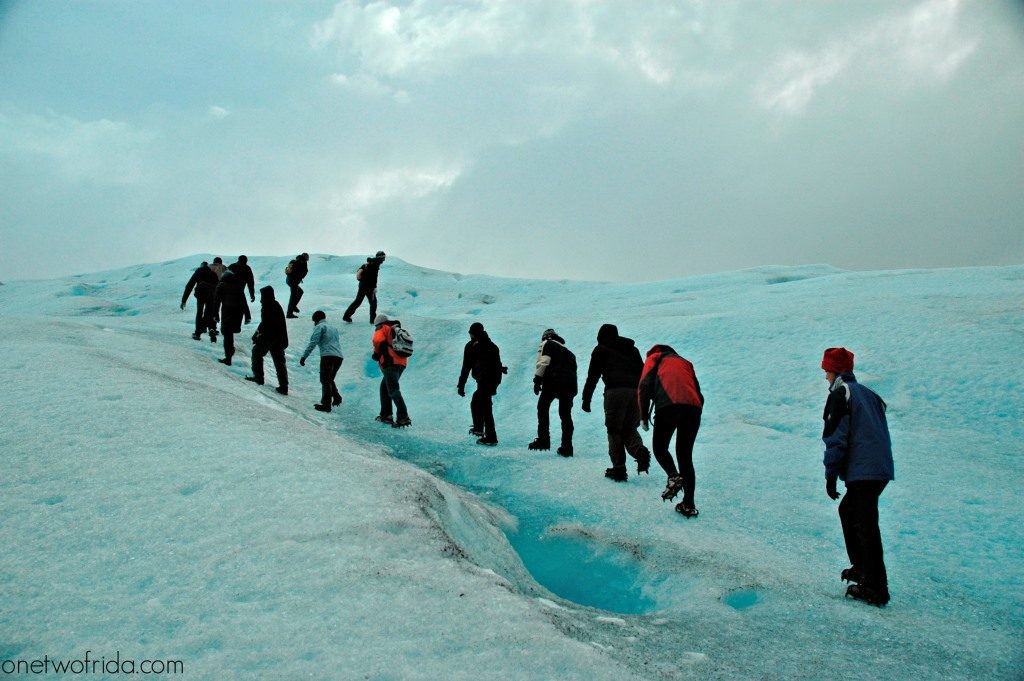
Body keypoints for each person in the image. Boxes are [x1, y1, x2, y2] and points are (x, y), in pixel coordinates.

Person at [820, 347, 894, 607]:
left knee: (865, 524)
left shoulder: (842, 394)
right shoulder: (869, 394)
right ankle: (863, 568)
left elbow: (835, 437)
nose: (825, 377)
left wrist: (831, 474)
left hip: (865, 470)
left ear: (834, 370)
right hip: (878, 468)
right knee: (850, 511)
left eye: (826, 371)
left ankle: (876, 587)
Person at [638, 344, 704, 518]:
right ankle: (688, 505)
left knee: (660, 448)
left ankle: (673, 476)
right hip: (693, 409)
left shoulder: (654, 358)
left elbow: (644, 385)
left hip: (668, 406)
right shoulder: (685, 362)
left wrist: (643, 415)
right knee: (685, 455)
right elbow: (698, 392)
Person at [581, 324, 651, 482]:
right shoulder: (633, 350)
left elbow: (593, 376)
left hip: (615, 392)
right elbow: (643, 374)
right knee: (629, 428)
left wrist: (586, 398)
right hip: (636, 393)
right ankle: (640, 451)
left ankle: (619, 469)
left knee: (614, 430)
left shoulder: (601, 349)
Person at [530, 329, 577, 456]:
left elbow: (544, 361)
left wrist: (537, 379)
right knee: (565, 415)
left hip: (553, 382)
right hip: (570, 386)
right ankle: (567, 447)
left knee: (542, 408)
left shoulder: (547, 343)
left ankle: (543, 440)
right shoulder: (570, 353)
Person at [457, 322, 506, 446]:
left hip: (484, 381)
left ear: (472, 333)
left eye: (470, 333)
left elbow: (466, 367)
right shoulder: (492, 346)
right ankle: (479, 429)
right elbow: (496, 364)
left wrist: (461, 385)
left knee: (485, 408)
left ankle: (491, 437)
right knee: (476, 401)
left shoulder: (472, 346)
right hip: (491, 381)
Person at [245, 286, 288, 395]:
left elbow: (266, 325)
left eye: (262, 296)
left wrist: (258, 337)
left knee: (256, 352)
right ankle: (284, 386)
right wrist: (256, 334)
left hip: (270, 338)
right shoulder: (276, 305)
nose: (260, 300)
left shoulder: (268, 306)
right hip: (279, 339)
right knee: (279, 362)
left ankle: (258, 377)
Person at [299, 311, 344, 412]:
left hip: (327, 356)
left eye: (314, 320)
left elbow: (313, 342)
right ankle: (336, 397)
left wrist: (304, 357)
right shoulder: (333, 328)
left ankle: (326, 405)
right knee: (329, 378)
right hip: (339, 356)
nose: (314, 323)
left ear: (316, 319)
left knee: (325, 380)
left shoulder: (320, 327)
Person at [372, 313, 411, 427]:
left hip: (390, 363)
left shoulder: (383, 328)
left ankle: (403, 417)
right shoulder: (394, 329)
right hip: (401, 363)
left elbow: (377, 340)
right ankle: (386, 415)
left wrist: (376, 353)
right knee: (385, 388)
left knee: (393, 390)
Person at [214, 269, 251, 366]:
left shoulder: (221, 285)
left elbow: (216, 301)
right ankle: (230, 352)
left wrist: (215, 314)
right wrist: (247, 316)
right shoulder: (238, 287)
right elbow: (244, 302)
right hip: (238, 313)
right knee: (229, 334)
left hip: (227, 312)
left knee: (227, 334)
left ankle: (228, 358)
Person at [180, 260, 219, 342]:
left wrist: (184, 300)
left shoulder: (198, 272)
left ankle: (197, 334)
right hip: (212, 295)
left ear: (201, 266)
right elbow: (218, 286)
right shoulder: (212, 273)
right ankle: (212, 328)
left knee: (199, 312)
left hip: (201, 295)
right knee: (209, 313)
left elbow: (189, 286)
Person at [343, 251, 386, 324]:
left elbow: (359, 273)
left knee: (358, 301)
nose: (383, 260)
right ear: (380, 257)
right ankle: (373, 320)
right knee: (373, 303)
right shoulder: (376, 263)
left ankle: (346, 316)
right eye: (383, 258)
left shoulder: (366, 264)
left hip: (362, 285)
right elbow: (374, 277)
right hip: (369, 287)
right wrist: (374, 287)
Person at [285, 253, 309, 318]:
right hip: (294, 282)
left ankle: (293, 306)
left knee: (300, 292)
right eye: (307, 258)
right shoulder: (302, 262)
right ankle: (289, 313)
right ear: (305, 258)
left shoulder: (294, 261)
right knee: (293, 297)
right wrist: (299, 277)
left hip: (289, 280)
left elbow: (289, 271)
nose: (307, 260)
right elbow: (303, 272)